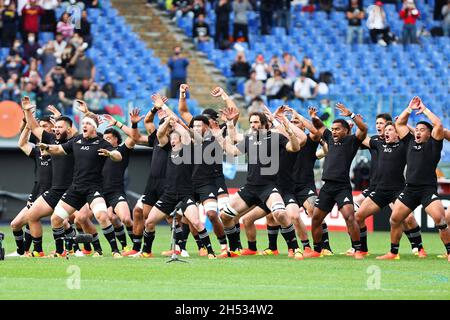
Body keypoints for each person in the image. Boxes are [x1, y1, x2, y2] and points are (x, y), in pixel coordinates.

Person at [212, 108, 304, 260]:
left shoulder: (276, 137)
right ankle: (234, 249)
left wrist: (289, 130)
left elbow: (295, 147)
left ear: (264, 124)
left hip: (269, 187)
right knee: (224, 215)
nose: (253, 125)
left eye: (256, 122)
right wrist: (221, 135)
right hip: (250, 188)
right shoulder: (249, 139)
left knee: (280, 213)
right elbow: (232, 151)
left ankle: (295, 248)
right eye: (251, 122)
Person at [37, 113, 124, 258]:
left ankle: (115, 251)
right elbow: (59, 149)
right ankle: (59, 251)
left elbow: (118, 156)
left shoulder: (101, 142)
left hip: (93, 188)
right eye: (83, 123)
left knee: (102, 216)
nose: (84, 125)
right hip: (76, 188)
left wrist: (110, 154)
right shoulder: (76, 140)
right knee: (56, 219)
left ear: (94, 127)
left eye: (88, 123)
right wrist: (47, 146)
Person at [377, 97, 450, 262]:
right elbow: (400, 124)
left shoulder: (434, 144)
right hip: (409, 189)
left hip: (427, 189)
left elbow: (438, 125)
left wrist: (424, 109)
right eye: (416, 129)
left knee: (440, 220)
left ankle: (449, 251)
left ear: (429, 133)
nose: (417, 131)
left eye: (422, 129)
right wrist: (409, 108)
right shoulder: (409, 142)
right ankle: (393, 253)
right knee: (395, 218)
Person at [138, 115, 217, 259]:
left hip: (185, 194)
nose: (172, 140)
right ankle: (146, 251)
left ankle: (211, 252)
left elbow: (186, 134)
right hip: (168, 194)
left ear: (181, 139)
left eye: (175, 138)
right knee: (149, 222)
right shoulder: (168, 148)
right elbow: (160, 133)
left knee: (196, 222)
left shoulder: (188, 150)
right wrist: (168, 120)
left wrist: (176, 123)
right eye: (171, 138)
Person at [304, 103, 368, 259]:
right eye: (332, 129)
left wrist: (351, 114)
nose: (333, 131)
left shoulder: (352, 141)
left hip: (342, 187)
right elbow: (319, 126)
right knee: (316, 218)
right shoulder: (329, 138)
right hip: (327, 187)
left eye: (337, 129)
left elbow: (364, 129)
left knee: (349, 217)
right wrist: (314, 117)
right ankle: (317, 250)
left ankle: (357, 249)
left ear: (346, 130)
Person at [356, 120, 426, 256]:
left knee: (409, 219)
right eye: (386, 130)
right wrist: (356, 121)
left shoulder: (405, 145)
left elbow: (416, 137)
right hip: (380, 190)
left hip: (398, 190)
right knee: (358, 217)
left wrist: (404, 126)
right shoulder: (379, 145)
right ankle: (363, 249)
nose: (386, 132)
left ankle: (419, 248)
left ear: (398, 134)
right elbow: (361, 137)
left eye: (390, 130)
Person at [7, 114, 53, 257]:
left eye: (46, 126)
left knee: (65, 221)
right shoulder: (38, 151)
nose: (42, 129)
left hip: (55, 193)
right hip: (37, 190)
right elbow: (22, 144)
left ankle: (72, 249)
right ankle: (22, 252)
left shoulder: (60, 148)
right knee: (15, 224)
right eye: (41, 126)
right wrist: (28, 124)